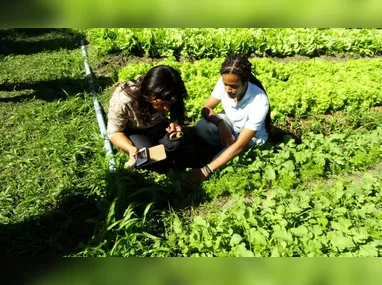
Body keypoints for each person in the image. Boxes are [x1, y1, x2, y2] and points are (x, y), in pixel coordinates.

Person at [185, 54, 271, 184]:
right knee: (202, 125)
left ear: (246, 81)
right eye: (225, 84)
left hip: (250, 139)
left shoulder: (259, 100)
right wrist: (220, 124)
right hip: (232, 125)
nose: (228, 89)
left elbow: (241, 144)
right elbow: (206, 107)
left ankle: (221, 154)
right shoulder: (225, 82)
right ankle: (224, 149)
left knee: (218, 162)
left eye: (233, 86)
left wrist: (206, 170)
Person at [107, 65, 188, 173]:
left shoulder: (171, 93)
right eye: (162, 104)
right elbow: (114, 133)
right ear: (149, 95)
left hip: (158, 125)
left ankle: (167, 156)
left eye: (169, 104)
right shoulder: (124, 100)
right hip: (135, 130)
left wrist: (174, 123)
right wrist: (130, 148)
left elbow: (176, 109)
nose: (166, 108)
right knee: (146, 158)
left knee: (177, 143)